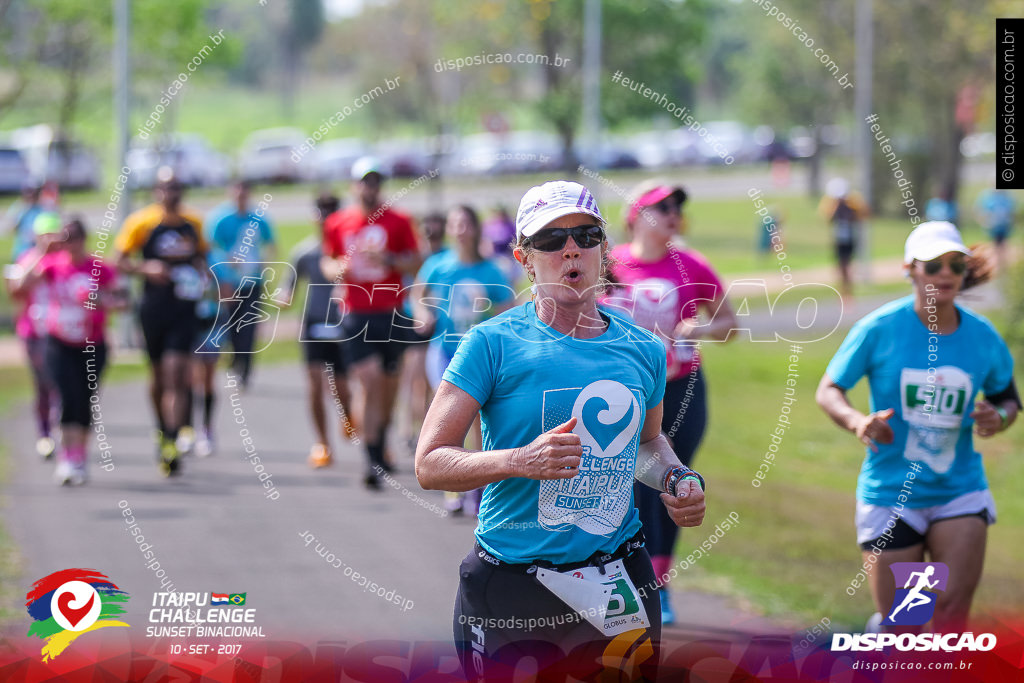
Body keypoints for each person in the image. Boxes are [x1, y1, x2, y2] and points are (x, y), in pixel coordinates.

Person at [415, 181, 707, 680]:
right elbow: (429, 462)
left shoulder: (643, 348)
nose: (571, 248)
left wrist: (678, 479)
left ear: (603, 248)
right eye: (550, 240)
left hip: (618, 577)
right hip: (513, 582)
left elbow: (648, 445)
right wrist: (517, 461)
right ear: (524, 259)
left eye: (585, 235)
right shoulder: (491, 344)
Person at [816, 221, 1019, 633]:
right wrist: (859, 422)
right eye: (933, 265)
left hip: (958, 491)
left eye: (955, 265)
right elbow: (829, 389)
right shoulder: (879, 329)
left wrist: (998, 418)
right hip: (892, 494)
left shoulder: (982, 336)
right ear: (911, 270)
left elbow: (1008, 398)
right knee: (906, 621)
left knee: (949, 615)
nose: (945, 273)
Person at [604, 181, 737, 626]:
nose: (673, 213)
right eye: (662, 206)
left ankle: (659, 586)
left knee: (675, 482)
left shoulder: (692, 264)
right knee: (635, 484)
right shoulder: (611, 263)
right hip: (625, 394)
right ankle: (633, 581)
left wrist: (699, 331)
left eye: (677, 206)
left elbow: (730, 324)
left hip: (682, 389)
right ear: (635, 215)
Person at [321, 157, 422, 489]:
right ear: (354, 185)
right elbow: (327, 261)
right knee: (370, 381)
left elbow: (416, 259)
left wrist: (389, 259)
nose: (370, 187)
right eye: (364, 181)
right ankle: (370, 458)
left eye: (376, 181)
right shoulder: (339, 222)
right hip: (355, 313)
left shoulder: (399, 221)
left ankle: (379, 445)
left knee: (389, 389)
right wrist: (337, 269)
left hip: (391, 312)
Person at [411, 204, 513, 515]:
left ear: (476, 228)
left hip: (479, 357)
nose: (460, 229)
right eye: (455, 223)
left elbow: (507, 305)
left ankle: (479, 489)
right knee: (451, 419)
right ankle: (452, 490)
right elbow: (417, 293)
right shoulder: (438, 265)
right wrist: (423, 313)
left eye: (466, 223)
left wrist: (497, 324)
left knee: (479, 423)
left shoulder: (491, 270)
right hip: (443, 350)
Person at [12, 217, 123, 485]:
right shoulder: (51, 265)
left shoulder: (98, 269)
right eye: (65, 237)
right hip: (57, 342)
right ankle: (66, 458)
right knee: (64, 396)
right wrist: (41, 250)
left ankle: (80, 456)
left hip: (91, 344)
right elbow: (19, 286)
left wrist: (102, 301)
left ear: (83, 239)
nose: (69, 244)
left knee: (84, 400)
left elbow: (123, 299)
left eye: (73, 237)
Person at [115, 172, 207, 476]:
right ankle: (162, 429)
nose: (172, 193)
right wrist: (146, 268)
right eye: (166, 188)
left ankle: (173, 435)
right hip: (154, 308)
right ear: (156, 191)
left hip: (184, 308)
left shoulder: (192, 222)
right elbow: (119, 260)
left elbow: (202, 258)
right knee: (157, 375)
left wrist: (204, 278)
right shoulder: (141, 222)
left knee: (177, 372)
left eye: (177, 187)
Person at [283, 193, 356, 468]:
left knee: (343, 388)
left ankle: (348, 415)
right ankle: (322, 443)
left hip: (344, 323)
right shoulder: (304, 253)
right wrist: (283, 297)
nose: (326, 219)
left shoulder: (349, 252)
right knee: (314, 384)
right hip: (313, 324)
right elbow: (288, 286)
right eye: (321, 213)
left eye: (331, 213)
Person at [205, 179, 277, 390]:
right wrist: (224, 265)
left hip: (253, 281)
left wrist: (265, 264)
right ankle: (235, 360)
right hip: (229, 282)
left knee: (249, 327)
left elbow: (270, 244)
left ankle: (245, 368)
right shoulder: (220, 218)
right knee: (230, 324)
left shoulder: (258, 218)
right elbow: (210, 248)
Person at [3, 212, 60, 459]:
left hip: (59, 331)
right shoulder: (27, 258)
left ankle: (63, 429)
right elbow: (16, 290)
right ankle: (45, 433)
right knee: (43, 383)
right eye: (45, 235)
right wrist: (41, 255)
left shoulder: (64, 260)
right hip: (34, 331)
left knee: (61, 382)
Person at [819, 178, 868, 298]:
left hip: (850, 237)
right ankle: (843, 289)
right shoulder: (832, 205)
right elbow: (827, 218)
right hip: (838, 239)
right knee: (840, 266)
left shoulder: (852, 204)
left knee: (847, 264)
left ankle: (848, 290)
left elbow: (864, 215)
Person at [2, 181, 45, 262]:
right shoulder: (18, 208)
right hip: (21, 250)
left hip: (38, 251)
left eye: (34, 193)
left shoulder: (43, 209)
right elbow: (10, 228)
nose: (31, 195)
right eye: (28, 192)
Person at [975, 188, 1015, 273]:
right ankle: (995, 267)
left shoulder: (1006, 198)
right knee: (994, 247)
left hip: (1003, 227)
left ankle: (1003, 267)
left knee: (1003, 247)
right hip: (994, 228)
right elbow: (981, 212)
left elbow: (1011, 212)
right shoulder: (989, 198)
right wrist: (985, 222)